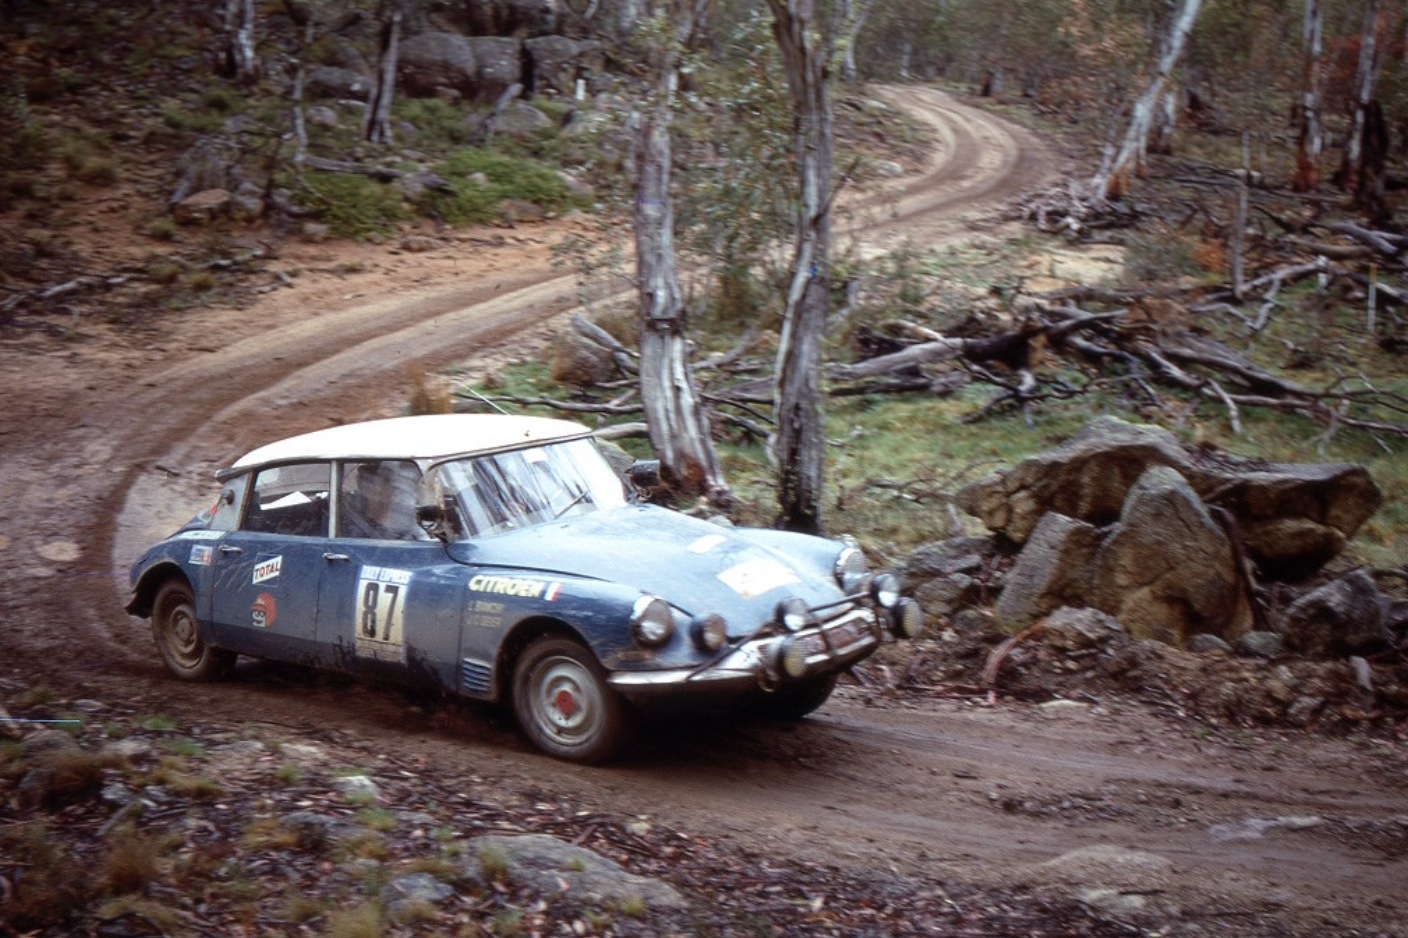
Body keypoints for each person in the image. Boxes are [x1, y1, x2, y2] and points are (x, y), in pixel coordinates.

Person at [340, 461, 425, 540]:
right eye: (368, 481)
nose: (394, 486)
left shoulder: (405, 517)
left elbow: (420, 538)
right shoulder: (346, 518)